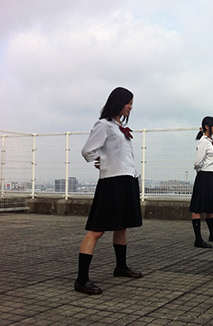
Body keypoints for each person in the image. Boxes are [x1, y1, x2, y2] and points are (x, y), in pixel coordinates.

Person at [74, 87, 143, 295]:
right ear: (118, 102)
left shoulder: (118, 125)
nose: (131, 107)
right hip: (112, 181)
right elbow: (87, 150)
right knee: (97, 229)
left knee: (121, 226)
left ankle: (120, 266)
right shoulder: (103, 125)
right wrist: (100, 160)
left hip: (127, 179)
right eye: (128, 103)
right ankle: (81, 279)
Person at [189, 116, 213, 248]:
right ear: (207, 127)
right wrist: (200, 170)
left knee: (210, 206)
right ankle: (198, 239)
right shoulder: (203, 142)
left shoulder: (211, 141)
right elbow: (198, 161)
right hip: (205, 175)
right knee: (198, 207)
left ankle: (212, 235)